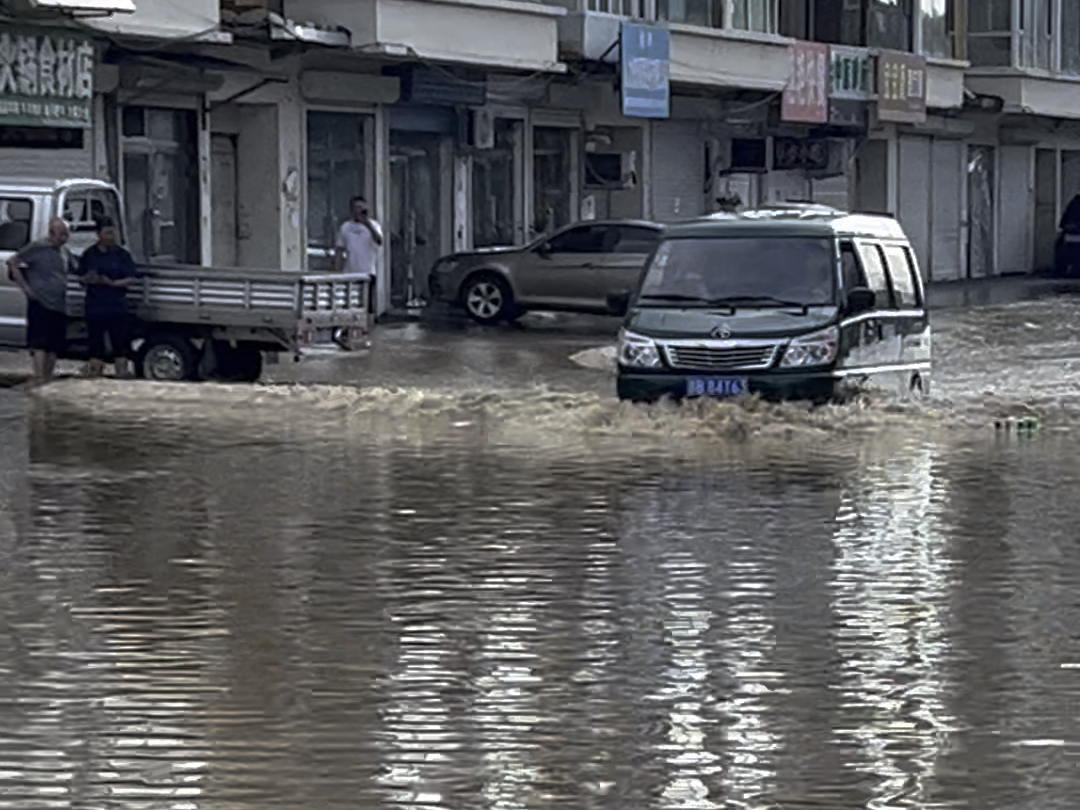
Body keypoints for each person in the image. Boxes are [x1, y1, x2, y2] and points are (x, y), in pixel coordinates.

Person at [6, 217, 75, 383]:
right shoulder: (37, 248)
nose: (64, 238)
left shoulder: (64, 252)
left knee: (54, 344)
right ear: (52, 232)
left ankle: (48, 376)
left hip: (59, 303)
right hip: (40, 301)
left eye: (66, 234)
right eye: (61, 234)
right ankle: (39, 376)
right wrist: (25, 287)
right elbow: (12, 261)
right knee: (39, 342)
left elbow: (75, 268)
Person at [75, 217, 138, 378]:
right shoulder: (89, 254)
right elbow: (80, 278)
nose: (111, 236)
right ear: (98, 234)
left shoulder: (121, 255)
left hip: (117, 305)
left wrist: (112, 283)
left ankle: (121, 372)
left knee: (121, 342)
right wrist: (88, 278)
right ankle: (95, 372)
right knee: (95, 342)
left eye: (113, 233)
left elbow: (131, 278)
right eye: (107, 233)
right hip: (95, 305)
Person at [334, 195, 383, 341]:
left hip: (367, 273)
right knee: (349, 306)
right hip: (349, 274)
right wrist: (337, 272)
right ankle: (349, 333)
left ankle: (366, 334)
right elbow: (339, 250)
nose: (359, 211)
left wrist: (367, 223)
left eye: (362, 208)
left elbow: (379, 241)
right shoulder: (345, 227)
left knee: (368, 308)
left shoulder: (373, 226)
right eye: (356, 208)